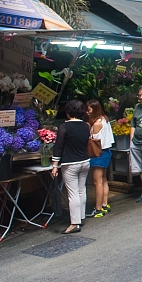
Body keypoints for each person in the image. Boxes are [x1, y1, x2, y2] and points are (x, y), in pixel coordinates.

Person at [51, 100, 90, 234]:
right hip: (85, 161)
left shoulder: (64, 127)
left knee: (72, 193)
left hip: (70, 164)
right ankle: (81, 216)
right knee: (81, 190)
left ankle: (75, 223)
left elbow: (59, 147)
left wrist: (55, 165)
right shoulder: (86, 126)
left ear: (68, 113)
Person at [86, 99, 114, 217]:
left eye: (89, 110)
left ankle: (97, 208)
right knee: (103, 180)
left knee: (97, 182)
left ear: (95, 109)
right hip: (106, 152)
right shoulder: (105, 119)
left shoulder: (97, 123)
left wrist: (88, 127)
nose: (87, 112)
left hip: (98, 154)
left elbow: (94, 141)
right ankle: (104, 204)